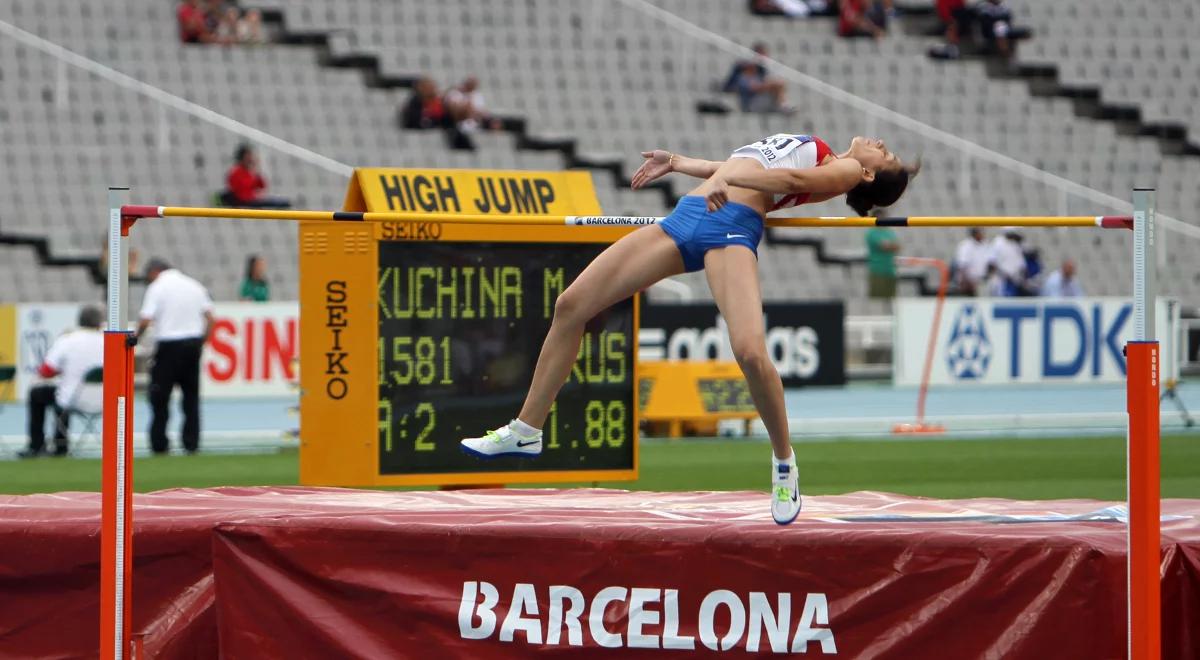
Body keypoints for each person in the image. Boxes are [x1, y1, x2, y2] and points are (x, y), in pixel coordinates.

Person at [460, 133, 917, 525]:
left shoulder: (848, 170)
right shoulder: (823, 150)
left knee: (750, 352)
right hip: (686, 218)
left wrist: (729, 179)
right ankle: (527, 428)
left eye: (887, 155)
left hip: (729, 229)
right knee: (571, 305)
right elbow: (739, 165)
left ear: (871, 176)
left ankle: (784, 463)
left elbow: (787, 181)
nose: (880, 145)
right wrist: (679, 163)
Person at [135, 259, 214, 455]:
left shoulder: (157, 287)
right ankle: (191, 443)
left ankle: (160, 444)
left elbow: (146, 319)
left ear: (155, 272)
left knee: (160, 398)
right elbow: (211, 318)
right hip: (192, 345)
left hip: (169, 347)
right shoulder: (194, 285)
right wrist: (202, 341)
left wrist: (135, 338)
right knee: (191, 399)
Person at [19, 305, 104, 458]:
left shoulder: (68, 340)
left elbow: (46, 371)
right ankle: (60, 443)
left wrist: (65, 370)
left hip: (71, 399)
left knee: (37, 394)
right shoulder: (108, 341)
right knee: (63, 392)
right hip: (105, 400)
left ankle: (37, 445)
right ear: (99, 322)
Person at [722, 44, 793, 114]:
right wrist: (769, 85)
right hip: (750, 105)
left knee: (778, 86)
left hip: (760, 101)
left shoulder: (761, 72)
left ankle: (783, 107)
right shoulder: (742, 74)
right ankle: (783, 107)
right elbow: (752, 88)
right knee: (778, 85)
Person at [221, 144, 290, 209]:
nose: (250, 158)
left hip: (252, 199)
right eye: (248, 156)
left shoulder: (250, 171)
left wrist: (256, 171)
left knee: (281, 201)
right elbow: (239, 191)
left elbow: (262, 186)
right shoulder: (235, 172)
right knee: (276, 203)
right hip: (244, 201)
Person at [865, 223, 900, 299]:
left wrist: (890, 245)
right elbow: (884, 246)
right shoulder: (872, 233)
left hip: (890, 270)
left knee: (891, 298)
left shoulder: (889, 232)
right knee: (877, 299)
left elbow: (898, 246)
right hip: (878, 270)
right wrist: (891, 245)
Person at [989, 227, 1025, 296]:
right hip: (1001, 280)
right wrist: (1004, 274)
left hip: (1014, 280)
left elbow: (1021, 263)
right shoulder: (998, 243)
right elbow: (992, 263)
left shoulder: (1016, 244)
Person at [953, 227, 990, 295]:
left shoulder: (985, 244)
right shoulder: (965, 245)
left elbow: (990, 262)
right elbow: (962, 265)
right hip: (967, 283)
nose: (983, 234)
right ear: (975, 233)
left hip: (981, 282)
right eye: (980, 232)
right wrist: (965, 282)